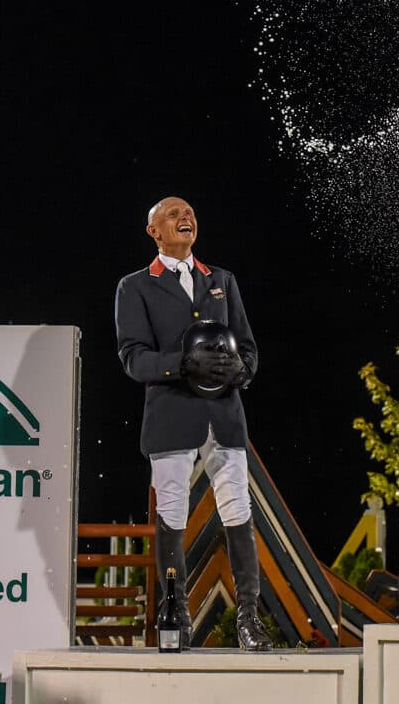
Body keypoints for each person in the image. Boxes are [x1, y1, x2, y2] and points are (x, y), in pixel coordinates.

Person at [115, 196, 269, 650]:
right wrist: (180, 364)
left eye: (190, 213)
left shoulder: (221, 280)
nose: (186, 217)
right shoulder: (135, 286)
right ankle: (175, 617)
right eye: (173, 214)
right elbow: (133, 357)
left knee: (238, 508)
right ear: (154, 232)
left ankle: (248, 619)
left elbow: (248, 347)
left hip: (223, 414)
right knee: (172, 511)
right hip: (172, 413)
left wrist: (241, 370)